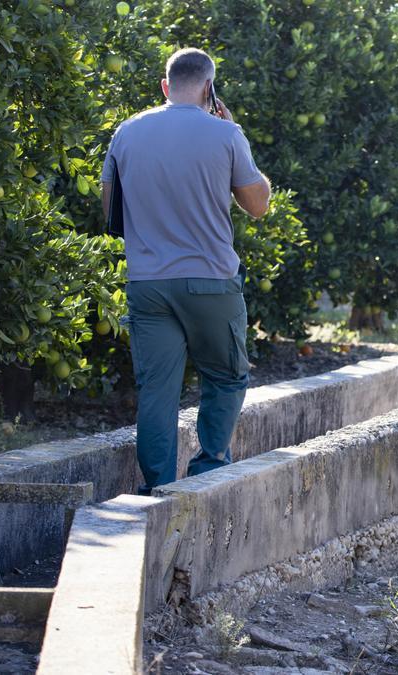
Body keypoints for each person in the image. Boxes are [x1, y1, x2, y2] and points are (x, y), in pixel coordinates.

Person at [101, 48, 271, 494]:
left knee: (157, 389)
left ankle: (157, 488)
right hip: (211, 281)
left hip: (147, 282)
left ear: (165, 86)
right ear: (209, 88)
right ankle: (207, 471)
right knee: (227, 375)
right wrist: (232, 131)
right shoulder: (226, 133)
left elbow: (109, 209)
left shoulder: (126, 132)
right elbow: (258, 206)